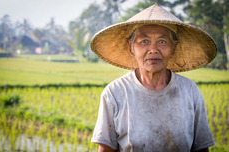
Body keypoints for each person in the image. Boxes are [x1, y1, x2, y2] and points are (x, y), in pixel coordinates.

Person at [90, 4, 217, 152]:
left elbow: (201, 148)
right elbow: (106, 149)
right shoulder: (114, 93)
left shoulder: (189, 90)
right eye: (144, 41)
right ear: (131, 47)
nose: (153, 49)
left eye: (162, 41)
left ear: (173, 47)